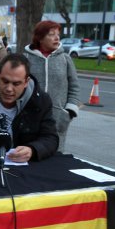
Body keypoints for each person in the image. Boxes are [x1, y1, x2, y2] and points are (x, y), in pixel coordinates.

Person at [24, 20, 80, 152]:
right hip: (30, 118)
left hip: (58, 119)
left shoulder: (65, 59)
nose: (57, 38)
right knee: (31, 154)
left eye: (57, 34)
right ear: (40, 38)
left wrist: (69, 112)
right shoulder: (26, 58)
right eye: (51, 34)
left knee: (55, 160)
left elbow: (74, 87)